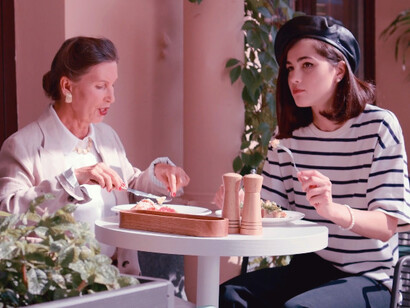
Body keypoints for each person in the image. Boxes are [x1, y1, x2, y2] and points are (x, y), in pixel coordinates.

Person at [218, 15, 410, 307]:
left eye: (307, 65)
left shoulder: (379, 127)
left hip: (370, 278)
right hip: (310, 268)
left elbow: (387, 225)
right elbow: (273, 212)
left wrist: (333, 210)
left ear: (339, 70)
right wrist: (244, 203)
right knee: (229, 296)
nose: (294, 78)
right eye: (290, 67)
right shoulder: (289, 140)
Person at [0, 36, 190, 275]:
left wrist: (157, 175)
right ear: (67, 87)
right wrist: (72, 179)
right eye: (101, 86)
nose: (111, 97)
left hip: (116, 279)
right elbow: (6, 215)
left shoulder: (107, 137)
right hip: (61, 286)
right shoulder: (22, 146)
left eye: (113, 85)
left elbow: (128, 186)